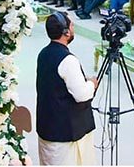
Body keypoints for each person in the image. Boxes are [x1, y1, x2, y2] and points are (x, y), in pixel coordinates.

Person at [36, 12, 97, 165]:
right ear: (66, 32)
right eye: (72, 25)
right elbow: (81, 95)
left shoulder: (43, 53)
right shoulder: (68, 60)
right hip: (65, 132)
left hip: (48, 126)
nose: (73, 29)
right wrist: (92, 84)